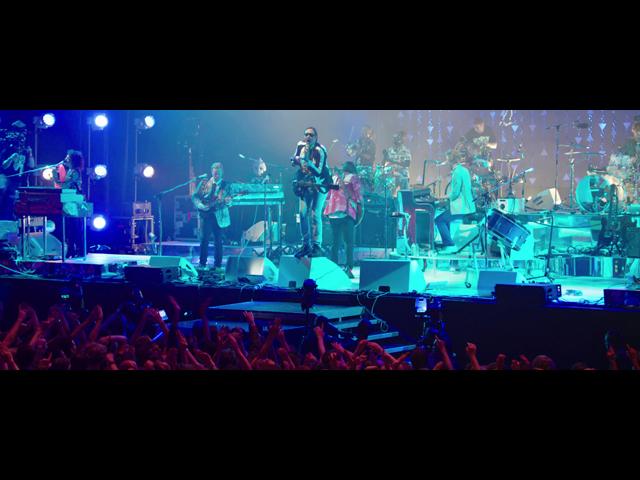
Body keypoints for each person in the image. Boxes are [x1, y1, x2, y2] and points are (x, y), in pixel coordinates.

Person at [291, 127, 331, 258]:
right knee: (302, 213)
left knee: (315, 213)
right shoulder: (300, 145)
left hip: (321, 183)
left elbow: (319, 171)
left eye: (311, 135)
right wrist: (296, 160)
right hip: (306, 182)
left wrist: (308, 162)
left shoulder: (320, 150)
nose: (308, 137)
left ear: (316, 137)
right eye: (306, 134)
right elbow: (294, 160)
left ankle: (317, 246)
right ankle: (306, 245)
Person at [323, 161, 362, 278]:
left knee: (335, 243)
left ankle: (334, 269)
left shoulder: (334, 177)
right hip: (346, 213)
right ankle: (349, 268)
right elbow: (358, 196)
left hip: (333, 213)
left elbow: (329, 194)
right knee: (349, 243)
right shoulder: (354, 178)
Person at [192, 162, 232, 270]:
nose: (216, 173)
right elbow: (195, 196)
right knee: (204, 239)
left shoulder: (226, 185)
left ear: (222, 172)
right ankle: (202, 264)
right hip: (206, 215)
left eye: (218, 171)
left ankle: (218, 265)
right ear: (211, 171)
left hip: (219, 216)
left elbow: (230, 199)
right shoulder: (204, 183)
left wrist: (228, 202)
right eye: (214, 171)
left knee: (218, 241)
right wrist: (200, 205)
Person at [435, 155, 476, 252]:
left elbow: (455, 193)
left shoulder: (456, 172)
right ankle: (447, 243)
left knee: (439, 220)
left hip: (462, 207)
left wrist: (441, 197)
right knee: (445, 219)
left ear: (450, 161)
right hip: (469, 206)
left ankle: (449, 244)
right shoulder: (464, 170)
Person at [52, 149, 85, 258]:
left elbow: (65, 186)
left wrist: (55, 177)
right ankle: (72, 249)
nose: (65, 158)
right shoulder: (71, 171)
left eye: (67, 157)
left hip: (74, 201)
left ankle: (76, 249)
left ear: (72, 159)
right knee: (71, 226)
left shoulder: (75, 172)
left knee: (74, 226)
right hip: (70, 200)